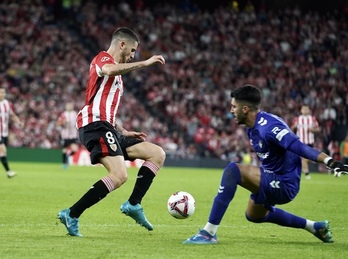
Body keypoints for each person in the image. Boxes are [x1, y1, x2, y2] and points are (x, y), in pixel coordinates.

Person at [183, 85, 348, 245]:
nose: (231, 110)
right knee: (253, 215)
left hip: (284, 182)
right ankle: (314, 226)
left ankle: (208, 233)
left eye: (234, 107)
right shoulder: (252, 127)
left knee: (233, 170)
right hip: (272, 175)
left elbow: (299, 147)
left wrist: (330, 161)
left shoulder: (269, 127)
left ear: (245, 109)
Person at [57, 27, 166, 236]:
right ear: (122, 44)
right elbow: (107, 70)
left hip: (108, 127)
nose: (133, 55)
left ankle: (133, 204)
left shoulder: (119, 76)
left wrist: (124, 130)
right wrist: (144, 63)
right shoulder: (103, 58)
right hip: (94, 125)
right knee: (119, 175)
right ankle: (72, 213)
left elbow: (105, 106)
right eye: (132, 50)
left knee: (157, 153)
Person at [291, 105, 320, 180]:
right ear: (301, 110)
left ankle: (302, 169)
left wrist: (312, 130)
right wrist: (293, 129)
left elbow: (318, 129)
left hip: (310, 141)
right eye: (303, 109)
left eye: (306, 109)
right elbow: (292, 128)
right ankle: (307, 174)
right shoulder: (297, 119)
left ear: (309, 110)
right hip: (301, 142)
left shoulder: (312, 119)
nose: (305, 110)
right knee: (304, 159)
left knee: (309, 159)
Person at [0, 88, 24, 178]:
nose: (2, 94)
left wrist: (19, 122)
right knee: (2, 150)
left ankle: (8, 172)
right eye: (0, 92)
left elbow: (12, 115)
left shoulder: (7, 103)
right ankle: (8, 171)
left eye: (3, 92)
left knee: (3, 152)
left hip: (5, 132)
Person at [56, 102, 79, 169]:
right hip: (65, 135)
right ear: (66, 106)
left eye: (70, 105)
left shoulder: (75, 114)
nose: (69, 107)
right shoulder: (63, 115)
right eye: (68, 105)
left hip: (73, 135)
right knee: (64, 150)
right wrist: (63, 122)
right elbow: (58, 124)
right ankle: (64, 164)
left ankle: (68, 156)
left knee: (75, 149)